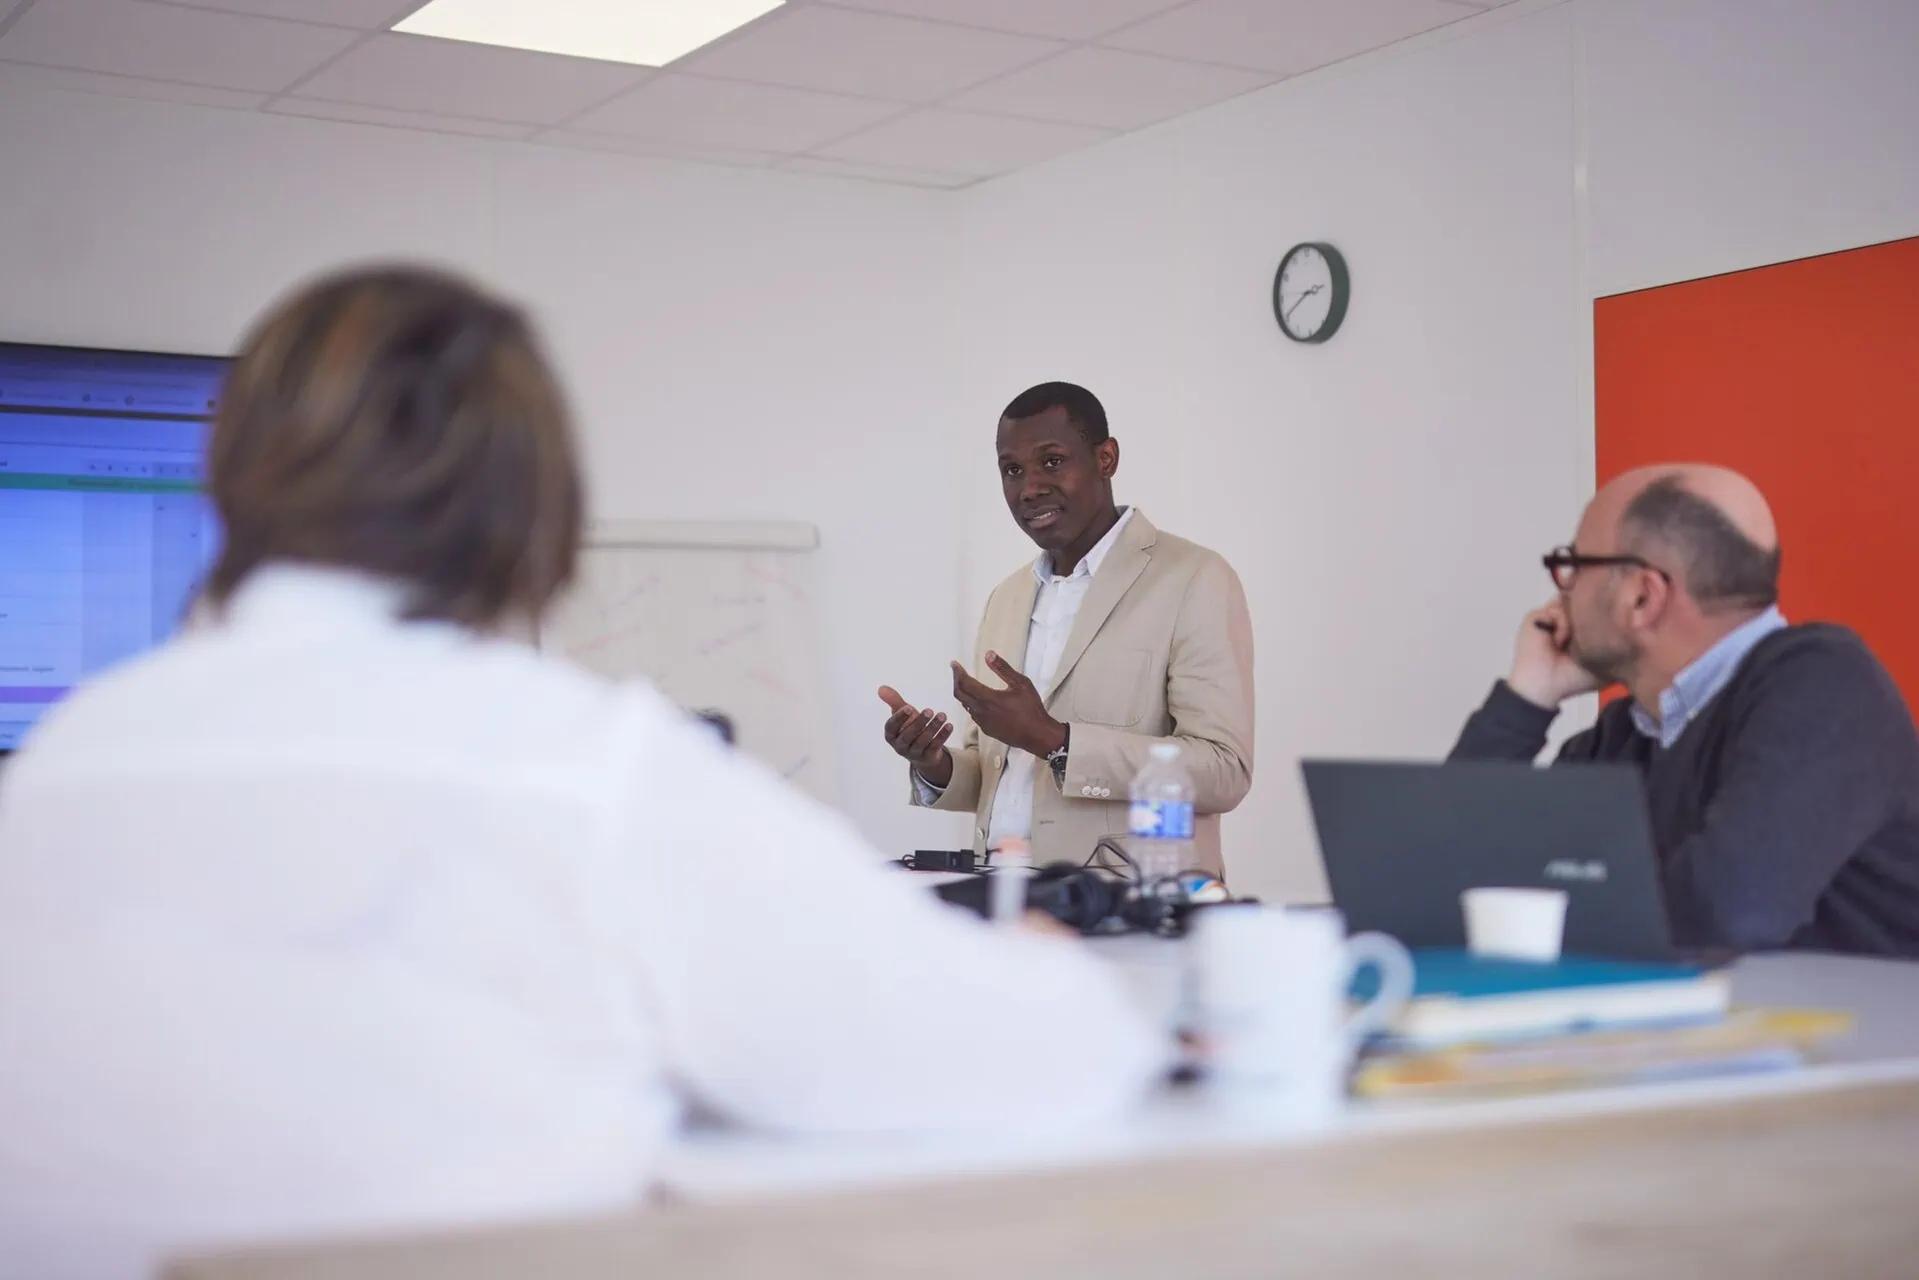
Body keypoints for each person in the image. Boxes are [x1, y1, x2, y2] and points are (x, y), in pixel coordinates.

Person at [0, 269, 1166, 1279]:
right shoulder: (583, 769)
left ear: (233, 481)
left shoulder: (54, 773)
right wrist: (1042, 967)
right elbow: (1018, 1058)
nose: (1027, 484)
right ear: (533, 512)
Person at [1451, 463, 1919, 956]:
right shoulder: (1628, 735)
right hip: (1715, 1025)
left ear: (1642, 597)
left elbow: (1731, 910)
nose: (1562, 591)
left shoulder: (1823, 684)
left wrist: (1562, 905)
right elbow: (1450, 873)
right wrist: (1529, 697)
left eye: (1575, 565)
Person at [880, 382, 1254, 877]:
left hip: (1127, 904)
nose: (1029, 487)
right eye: (1012, 470)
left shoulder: (1194, 578)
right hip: (998, 899)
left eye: (1051, 461)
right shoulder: (1006, 598)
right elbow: (997, 773)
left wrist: (1056, 741)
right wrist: (933, 764)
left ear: (1106, 458)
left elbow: (1223, 771)